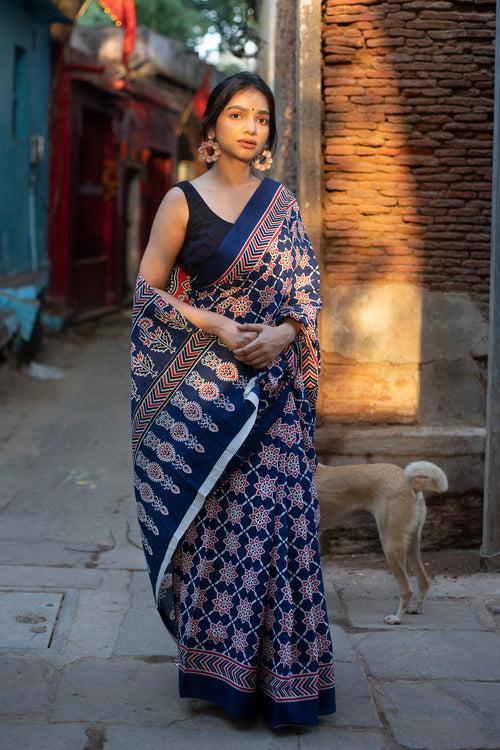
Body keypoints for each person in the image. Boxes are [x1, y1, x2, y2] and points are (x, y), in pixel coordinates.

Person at [131, 71, 336, 729]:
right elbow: (147, 294)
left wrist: (281, 335)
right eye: (238, 115)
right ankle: (222, 677)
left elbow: (305, 293)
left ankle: (286, 682)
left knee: (277, 527)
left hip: (272, 398)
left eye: (263, 118)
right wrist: (216, 324)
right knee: (216, 530)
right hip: (205, 400)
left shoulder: (283, 205)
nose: (252, 128)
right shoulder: (180, 202)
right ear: (213, 126)